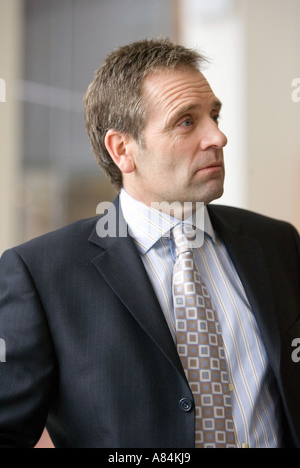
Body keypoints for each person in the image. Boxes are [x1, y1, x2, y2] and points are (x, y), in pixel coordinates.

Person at [0, 38, 300, 449]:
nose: (218, 136)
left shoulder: (277, 243)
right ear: (123, 150)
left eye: (214, 115)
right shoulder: (41, 274)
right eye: (186, 122)